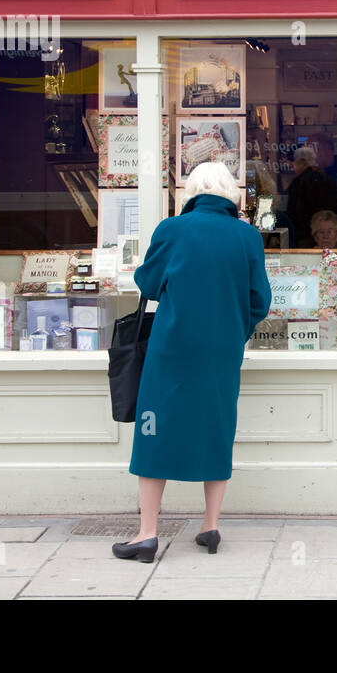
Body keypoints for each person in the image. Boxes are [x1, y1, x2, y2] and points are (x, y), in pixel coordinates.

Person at [111, 161, 271, 562]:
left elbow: (148, 283)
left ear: (192, 193)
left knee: (153, 432)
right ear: (231, 195)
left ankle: (147, 534)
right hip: (222, 352)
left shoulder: (172, 230)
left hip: (171, 349)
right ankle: (210, 526)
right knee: (216, 430)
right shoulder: (247, 237)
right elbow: (260, 302)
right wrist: (236, 331)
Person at [286, 146, 337, 248]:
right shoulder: (327, 178)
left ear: (302, 162)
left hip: (306, 237)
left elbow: (293, 211)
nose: (293, 168)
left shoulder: (300, 182)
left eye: (294, 164)